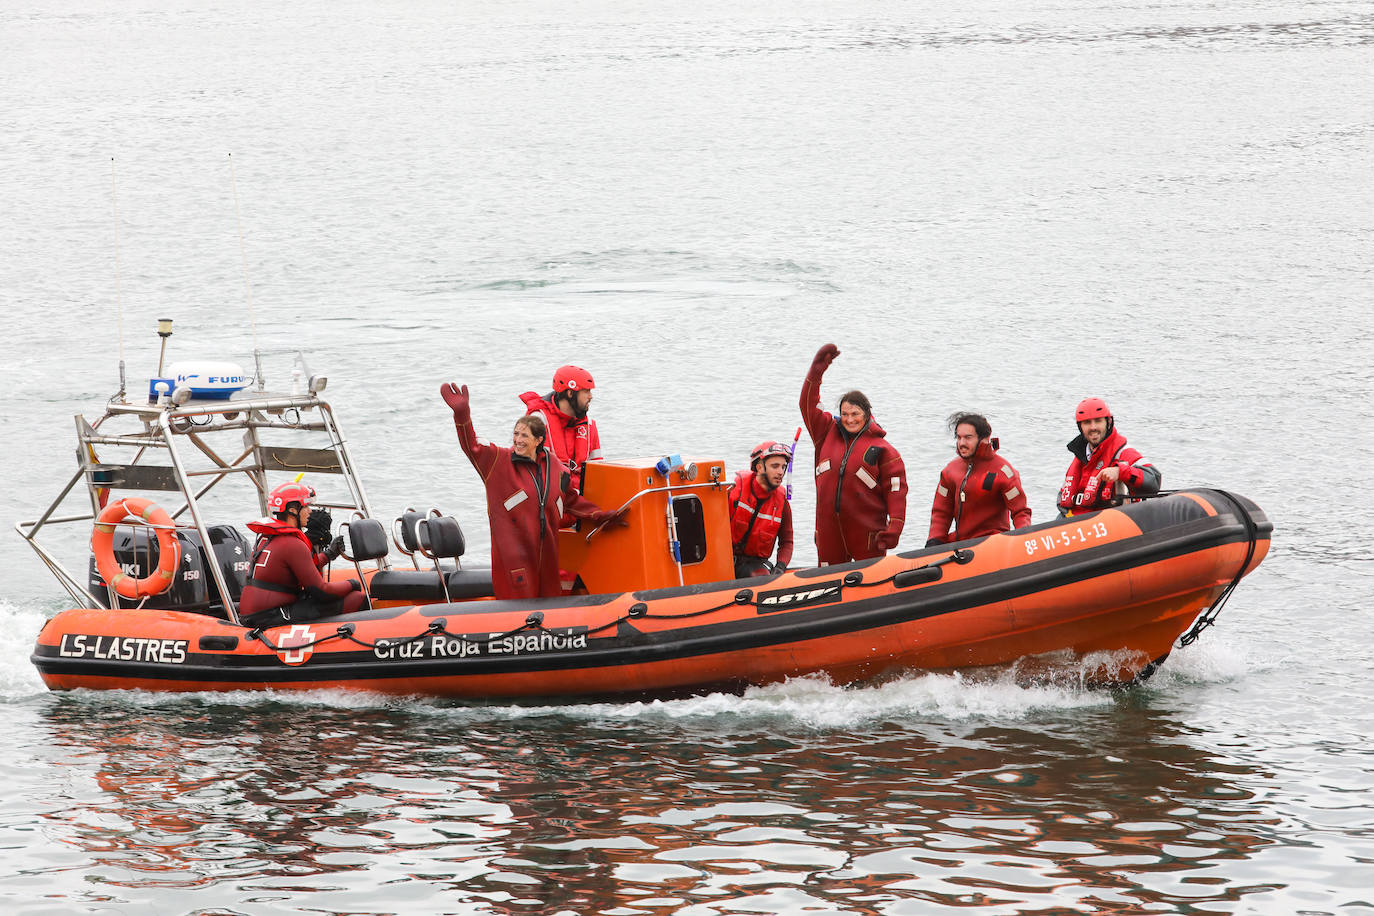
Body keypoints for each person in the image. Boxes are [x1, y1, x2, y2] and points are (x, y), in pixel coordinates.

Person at [442, 382, 625, 600]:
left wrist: (602, 516)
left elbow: (572, 502)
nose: (518, 440)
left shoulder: (556, 468)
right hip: (514, 560)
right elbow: (471, 445)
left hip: (547, 558)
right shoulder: (497, 462)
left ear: (539, 440)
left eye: (524, 436)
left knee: (550, 608)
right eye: (516, 434)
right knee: (520, 609)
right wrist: (462, 415)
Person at [800, 343, 907, 565]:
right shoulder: (825, 433)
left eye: (855, 414)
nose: (849, 419)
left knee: (870, 584)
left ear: (867, 414)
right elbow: (807, 404)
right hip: (829, 533)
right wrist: (817, 370)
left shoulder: (885, 450)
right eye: (845, 414)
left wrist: (895, 527)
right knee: (828, 581)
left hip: (867, 536)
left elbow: (896, 491)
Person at [240, 482, 365, 627]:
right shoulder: (292, 543)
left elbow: (302, 567)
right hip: (269, 617)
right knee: (356, 598)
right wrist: (352, 583)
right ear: (293, 510)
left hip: (256, 614)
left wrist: (329, 554)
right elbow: (322, 591)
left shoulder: (265, 537)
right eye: (305, 507)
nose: (310, 511)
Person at [926, 412, 1032, 546]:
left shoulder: (1003, 472)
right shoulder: (950, 471)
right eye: (959, 438)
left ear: (984, 438)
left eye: (968, 437)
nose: (962, 443)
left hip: (993, 545)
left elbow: (1020, 512)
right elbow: (941, 512)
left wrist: (1024, 541)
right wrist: (934, 541)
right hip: (961, 545)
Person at [1057, 397, 1161, 516]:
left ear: (1108, 422)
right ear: (1080, 426)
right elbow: (1062, 499)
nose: (1093, 427)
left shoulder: (1123, 452)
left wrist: (1120, 471)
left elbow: (1154, 479)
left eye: (1098, 421)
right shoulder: (1081, 456)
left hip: (1113, 525)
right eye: (1087, 422)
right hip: (1078, 526)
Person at [519, 364, 603, 494]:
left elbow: (599, 472)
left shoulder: (590, 426)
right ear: (570, 393)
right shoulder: (539, 421)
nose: (591, 396)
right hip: (550, 502)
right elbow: (531, 472)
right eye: (586, 391)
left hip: (580, 502)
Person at [728, 440, 795, 578]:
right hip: (724, 558)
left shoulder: (782, 503)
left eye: (783, 467)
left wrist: (780, 566)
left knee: (759, 576)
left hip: (755, 563)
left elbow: (787, 541)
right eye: (775, 466)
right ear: (759, 467)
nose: (780, 472)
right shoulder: (734, 491)